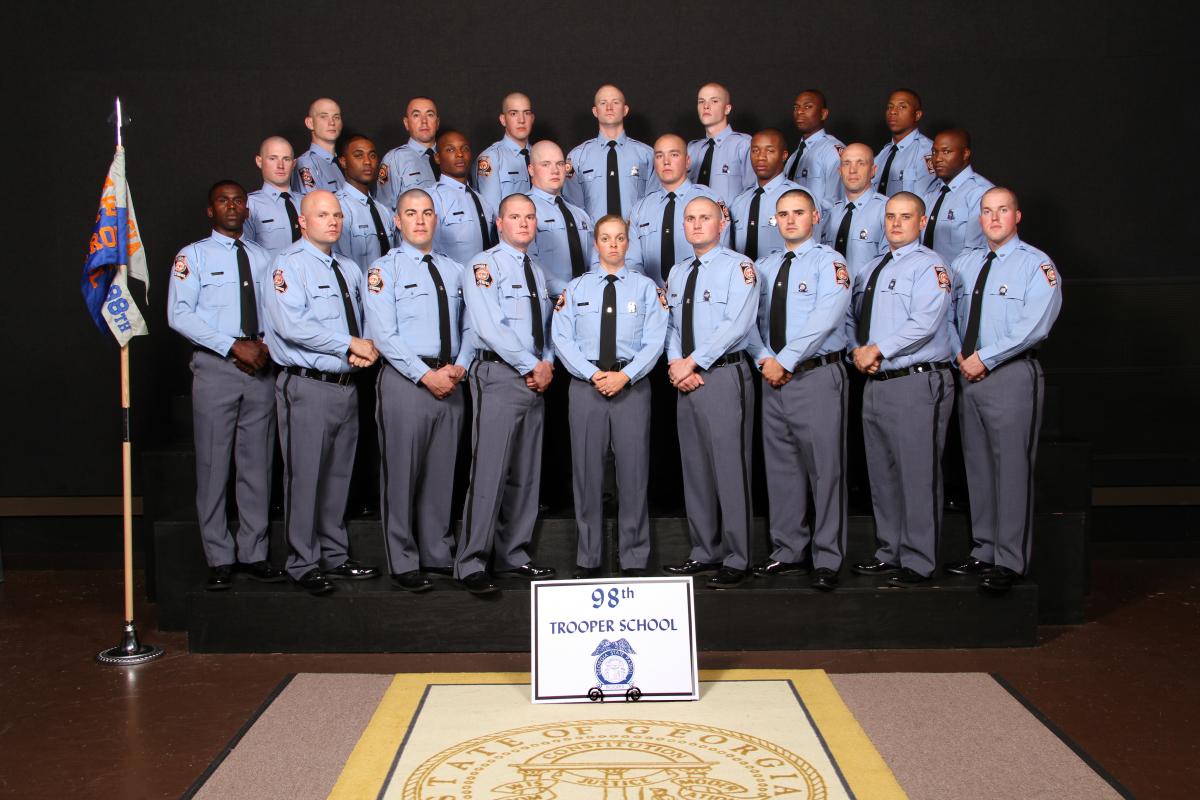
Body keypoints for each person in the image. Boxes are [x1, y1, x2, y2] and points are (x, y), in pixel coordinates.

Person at [262, 190, 381, 595]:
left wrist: (364, 350)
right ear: (302, 221)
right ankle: (302, 561)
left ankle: (334, 553)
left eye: (337, 215)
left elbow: (364, 324)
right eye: (322, 215)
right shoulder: (287, 266)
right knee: (304, 476)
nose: (332, 221)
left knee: (337, 476)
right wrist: (349, 344)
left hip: (346, 387)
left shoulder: (347, 268)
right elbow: (291, 325)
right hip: (307, 386)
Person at [167, 180, 283, 590]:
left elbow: (276, 311)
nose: (232, 206)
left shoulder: (266, 259)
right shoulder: (193, 257)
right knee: (214, 464)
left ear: (247, 211)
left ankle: (253, 551)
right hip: (217, 369)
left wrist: (264, 347)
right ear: (210, 210)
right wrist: (234, 347)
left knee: (257, 465)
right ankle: (219, 554)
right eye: (223, 201)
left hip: (261, 369)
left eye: (238, 201)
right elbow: (180, 314)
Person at [946, 187, 1063, 593]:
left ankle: (1010, 560)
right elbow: (946, 315)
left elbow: (1036, 324)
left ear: (1017, 216)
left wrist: (986, 357)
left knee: (1011, 469)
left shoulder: (1036, 266)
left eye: (1002, 211)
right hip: (968, 373)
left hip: (1010, 375)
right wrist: (960, 354)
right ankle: (984, 550)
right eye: (986, 211)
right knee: (977, 467)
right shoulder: (964, 263)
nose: (994, 218)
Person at [364, 189, 475, 593]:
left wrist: (460, 365)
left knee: (442, 472)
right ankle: (403, 558)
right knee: (402, 472)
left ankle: (437, 551)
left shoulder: (454, 269)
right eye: (411, 213)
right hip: (408, 381)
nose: (421, 220)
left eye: (427, 213)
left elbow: (470, 326)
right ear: (397, 220)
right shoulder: (383, 271)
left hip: (451, 378)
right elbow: (383, 334)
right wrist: (425, 375)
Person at [552, 215, 668, 578]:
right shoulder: (576, 289)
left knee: (633, 475)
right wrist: (592, 374)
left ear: (628, 244)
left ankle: (633, 557)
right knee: (587, 476)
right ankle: (589, 558)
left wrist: (626, 375)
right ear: (596, 244)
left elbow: (656, 340)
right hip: (586, 386)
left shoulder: (647, 289)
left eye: (620, 238)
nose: (613, 245)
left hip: (631, 387)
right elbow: (561, 339)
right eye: (606, 238)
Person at [847, 192, 954, 586]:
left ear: (921, 222)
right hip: (876, 381)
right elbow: (853, 319)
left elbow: (926, 320)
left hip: (916, 381)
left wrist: (878, 349)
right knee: (883, 474)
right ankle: (889, 551)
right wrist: (859, 350)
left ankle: (919, 559)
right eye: (890, 216)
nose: (895, 223)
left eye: (905, 217)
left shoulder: (930, 267)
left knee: (917, 472)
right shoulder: (871, 268)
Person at [749, 190, 851, 591]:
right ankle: (788, 550)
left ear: (814, 216)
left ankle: (827, 557)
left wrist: (785, 359)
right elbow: (748, 319)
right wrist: (762, 358)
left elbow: (825, 318)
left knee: (825, 469)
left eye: (798, 213)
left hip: (814, 375)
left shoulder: (831, 263)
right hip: (771, 376)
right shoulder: (763, 266)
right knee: (781, 469)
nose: (790, 220)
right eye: (783, 215)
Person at [456, 193, 556, 594]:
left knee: (526, 473)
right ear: (500, 223)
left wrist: (545, 363)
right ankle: (472, 562)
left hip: (536, 376)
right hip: (499, 375)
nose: (524, 223)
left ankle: (515, 553)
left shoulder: (537, 268)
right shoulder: (483, 266)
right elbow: (489, 326)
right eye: (515, 217)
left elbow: (544, 328)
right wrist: (531, 364)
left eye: (529, 217)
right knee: (490, 471)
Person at [662, 197, 758, 589]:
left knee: (730, 469)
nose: (697, 224)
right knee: (696, 469)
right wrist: (675, 363)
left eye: (705, 218)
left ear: (722, 223)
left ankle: (737, 557)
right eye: (690, 218)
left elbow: (738, 325)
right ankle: (704, 550)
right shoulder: (678, 271)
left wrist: (694, 361)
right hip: (685, 378)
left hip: (722, 375)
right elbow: (669, 324)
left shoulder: (740, 267)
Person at [626, 133, 726, 287]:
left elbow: (722, 254)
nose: (666, 162)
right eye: (659, 156)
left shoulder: (711, 201)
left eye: (674, 154)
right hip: (652, 300)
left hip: (699, 294)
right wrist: (651, 294)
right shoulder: (640, 209)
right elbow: (633, 263)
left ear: (687, 162)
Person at [563, 84, 657, 220]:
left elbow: (654, 202)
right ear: (595, 111)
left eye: (615, 102)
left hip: (635, 237)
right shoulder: (576, 157)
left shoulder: (647, 155)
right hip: (594, 239)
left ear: (625, 110)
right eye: (603, 103)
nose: (609, 108)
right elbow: (573, 206)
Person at [526, 140, 595, 298]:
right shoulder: (524, 211)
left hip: (586, 302)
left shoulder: (580, 214)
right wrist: (572, 291)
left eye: (560, 164)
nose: (555, 170)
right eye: (546, 164)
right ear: (531, 169)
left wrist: (593, 289)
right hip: (548, 301)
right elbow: (530, 262)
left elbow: (595, 258)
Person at [728, 129, 806, 261]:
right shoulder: (739, 202)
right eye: (755, 150)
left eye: (769, 151)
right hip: (743, 279)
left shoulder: (800, 198)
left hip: (782, 278)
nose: (761, 157)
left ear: (784, 155)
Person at [921, 128, 994, 264]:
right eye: (934, 152)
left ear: (965, 153)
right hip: (926, 278)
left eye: (946, 152)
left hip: (959, 280)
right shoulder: (932, 191)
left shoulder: (981, 193)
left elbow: (975, 252)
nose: (937, 159)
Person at [821, 143, 889, 278]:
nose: (852, 170)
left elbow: (892, 264)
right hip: (834, 295)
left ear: (873, 170)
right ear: (840, 171)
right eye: (846, 163)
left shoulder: (887, 211)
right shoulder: (831, 213)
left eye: (861, 163)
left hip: (868, 295)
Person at [430, 129, 496, 265]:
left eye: (464, 149)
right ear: (437, 157)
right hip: (452, 283)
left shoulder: (482, 201)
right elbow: (429, 252)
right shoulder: (432, 199)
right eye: (450, 150)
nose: (459, 154)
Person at [334, 134, 395, 271]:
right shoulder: (337, 207)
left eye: (372, 156)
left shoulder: (383, 211)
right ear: (343, 161)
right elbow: (339, 263)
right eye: (359, 155)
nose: (367, 161)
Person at [687, 83, 754, 205]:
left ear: (727, 109)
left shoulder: (743, 145)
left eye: (714, 101)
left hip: (730, 221)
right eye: (701, 101)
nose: (706, 106)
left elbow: (752, 192)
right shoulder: (691, 149)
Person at [375, 97, 441, 212]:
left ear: (437, 122)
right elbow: (385, 210)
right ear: (406, 123)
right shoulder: (394, 160)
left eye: (430, 115)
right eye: (416, 115)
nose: (424, 121)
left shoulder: (449, 157)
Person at [782, 90, 845, 209]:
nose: (799, 111)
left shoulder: (832, 151)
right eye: (796, 107)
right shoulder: (794, 157)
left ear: (823, 114)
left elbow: (836, 202)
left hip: (822, 225)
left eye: (808, 106)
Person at [474, 92, 535, 211]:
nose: (521, 120)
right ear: (503, 120)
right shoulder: (491, 158)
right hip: (510, 228)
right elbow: (493, 211)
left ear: (532, 118)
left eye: (526, 113)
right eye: (513, 113)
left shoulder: (540, 155)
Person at [244, 136, 302, 260]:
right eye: (272, 158)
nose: (280, 165)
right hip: (270, 277)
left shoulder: (308, 202)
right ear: (259, 161)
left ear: (294, 163)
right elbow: (246, 253)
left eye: (286, 159)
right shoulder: (250, 204)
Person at [873, 89, 934, 197]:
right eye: (889, 107)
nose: (893, 111)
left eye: (902, 107)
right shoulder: (883, 154)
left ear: (917, 115)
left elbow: (926, 201)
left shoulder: (927, 152)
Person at [292, 97, 345, 197]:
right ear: (310, 123)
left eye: (336, 117)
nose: (332, 123)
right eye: (324, 117)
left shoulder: (338, 163)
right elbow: (314, 207)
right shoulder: (306, 164)